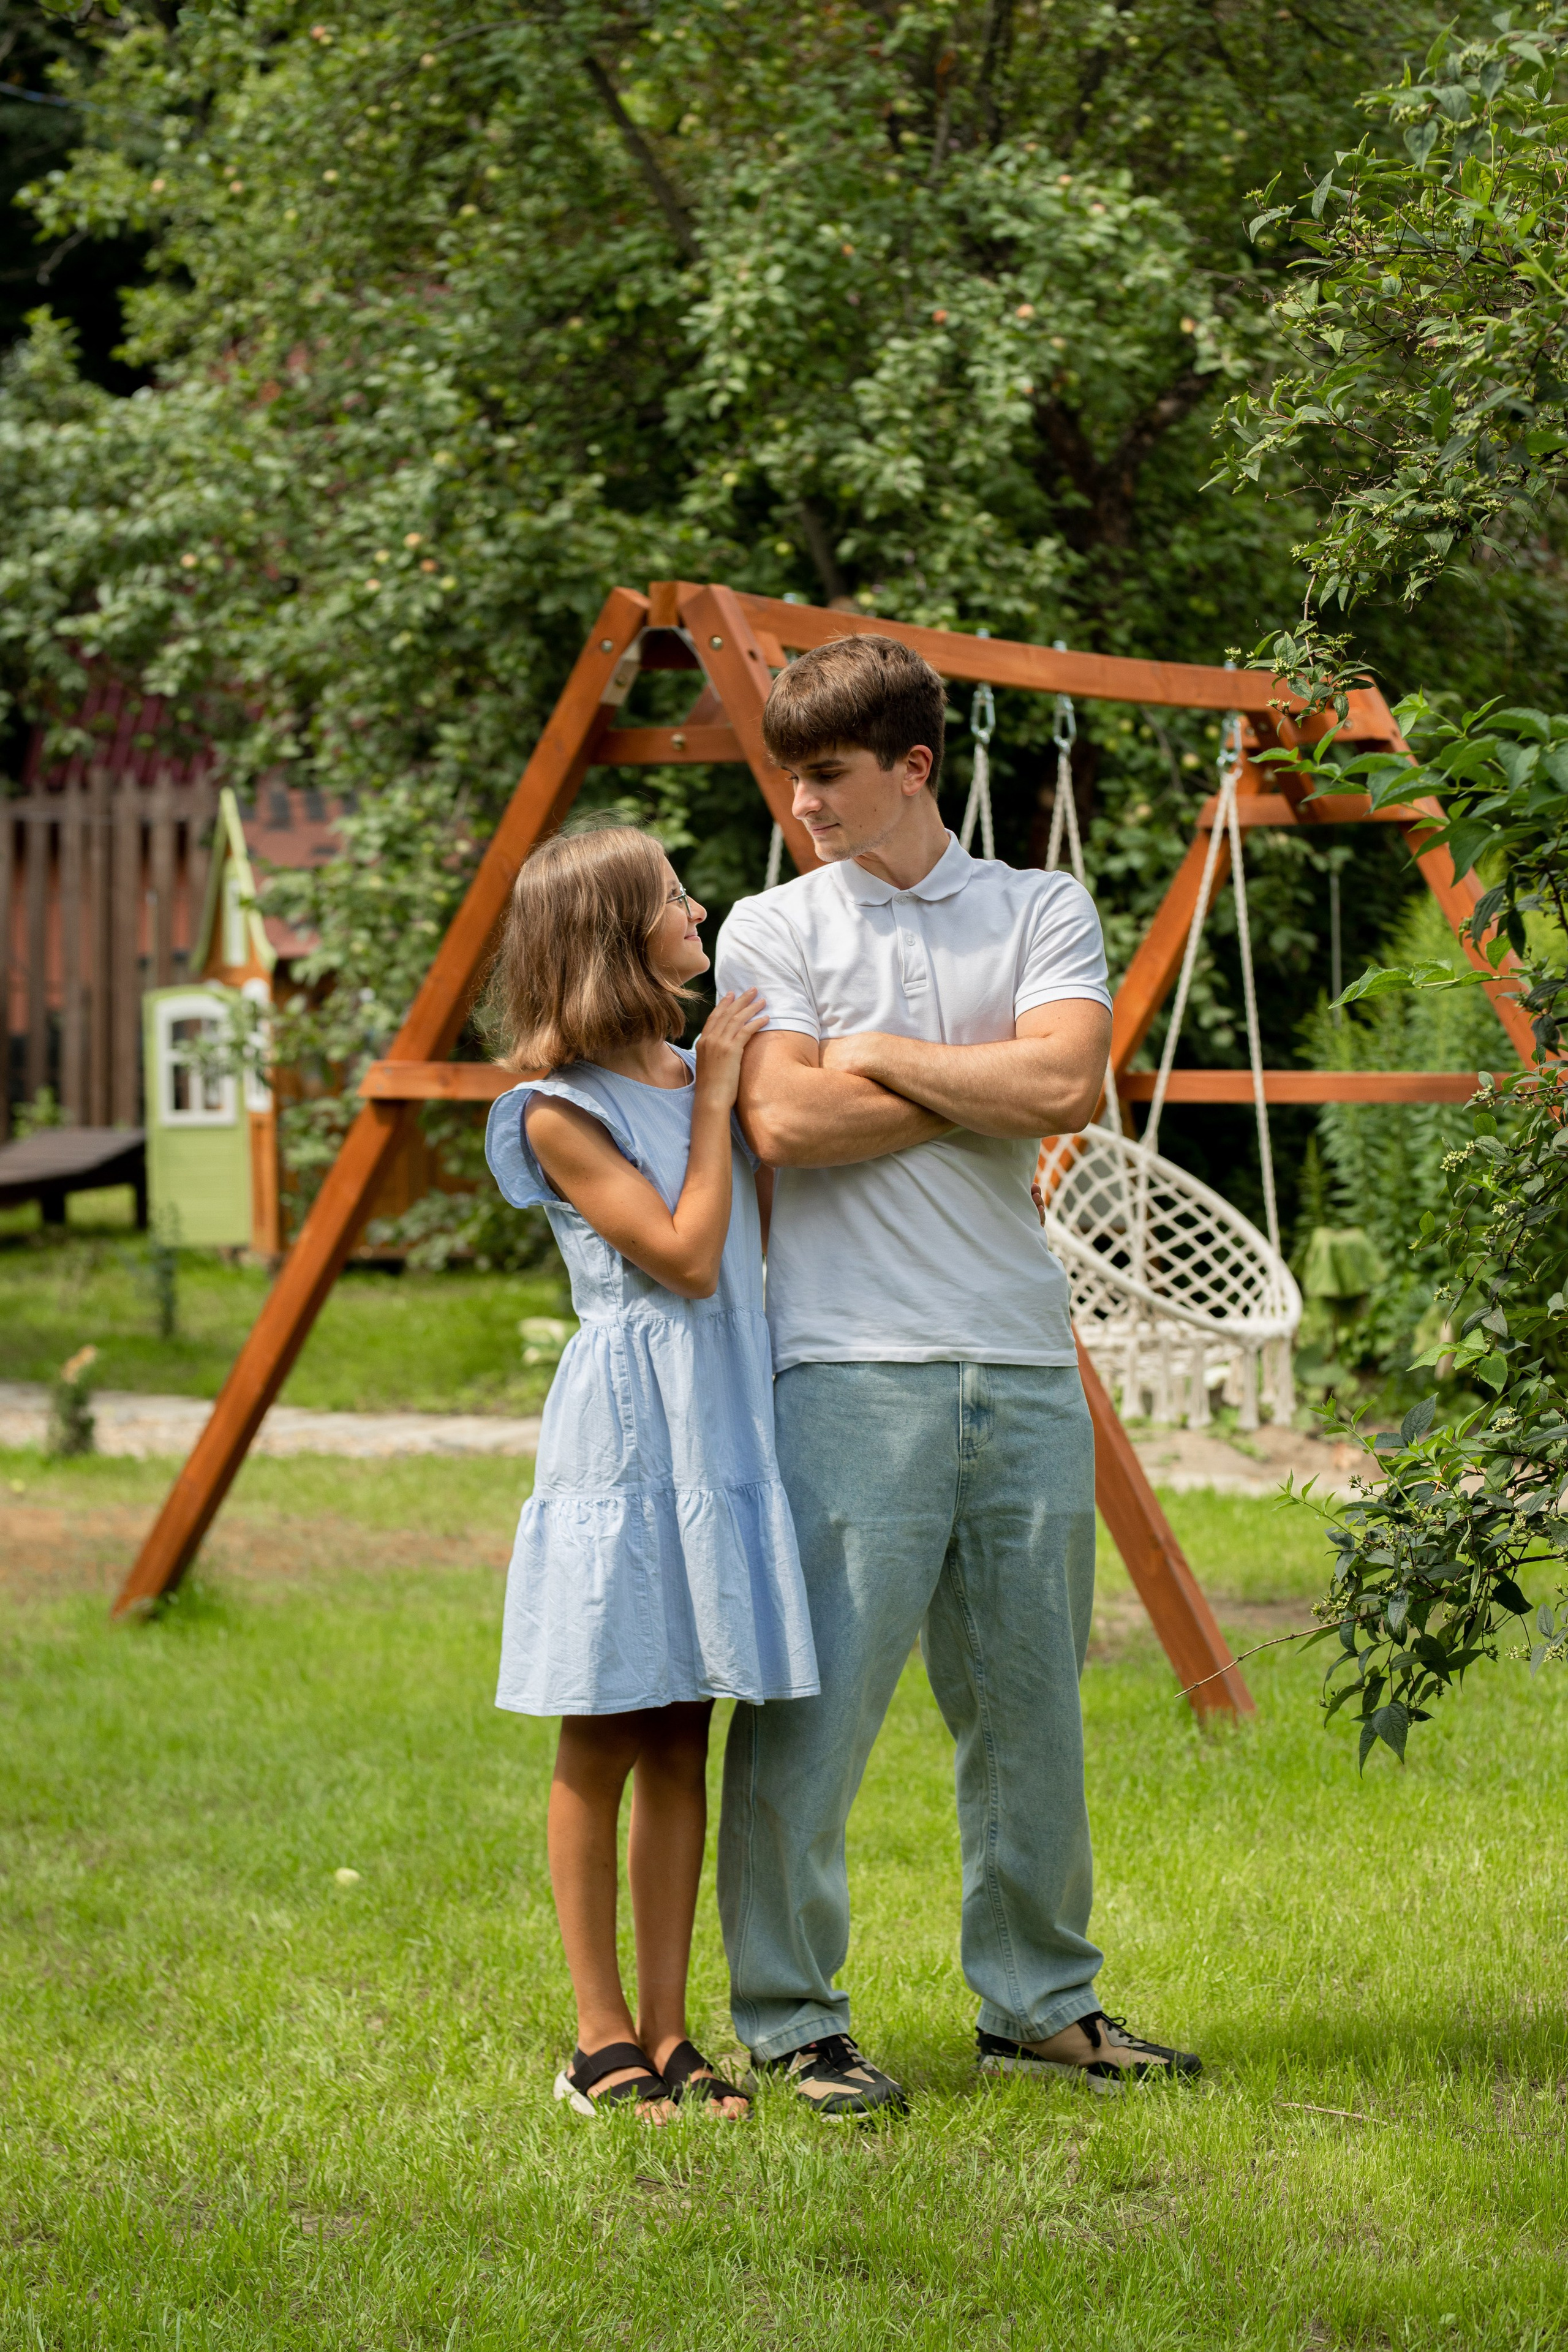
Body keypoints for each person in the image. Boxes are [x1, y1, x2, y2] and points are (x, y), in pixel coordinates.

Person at [714, 634, 1202, 2118]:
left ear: (913, 768)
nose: (801, 801)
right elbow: (782, 1128)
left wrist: (870, 1055)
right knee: (818, 1712)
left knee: (1029, 1712)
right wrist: (966, 1074)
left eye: (827, 775)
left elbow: (1065, 1087)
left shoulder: (1037, 903)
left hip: (1020, 1358)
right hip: (846, 1363)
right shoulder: (767, 926)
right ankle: (795, 2021)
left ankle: (1040, 2007)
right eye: (793, 776)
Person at [484, 823, 818, 2123]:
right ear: (616, 936)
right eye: (675, 899)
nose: (699, 913)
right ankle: (595, 2037)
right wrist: (720, 1099)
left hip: (721, 1415)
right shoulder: (559, 1108)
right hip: (630, 1432)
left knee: (686, 1721)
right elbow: (681, 1256)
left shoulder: (698, 1067)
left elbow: (756, 1247)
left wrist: (722, 1086)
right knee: (605, 1720)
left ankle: (673, 2034)